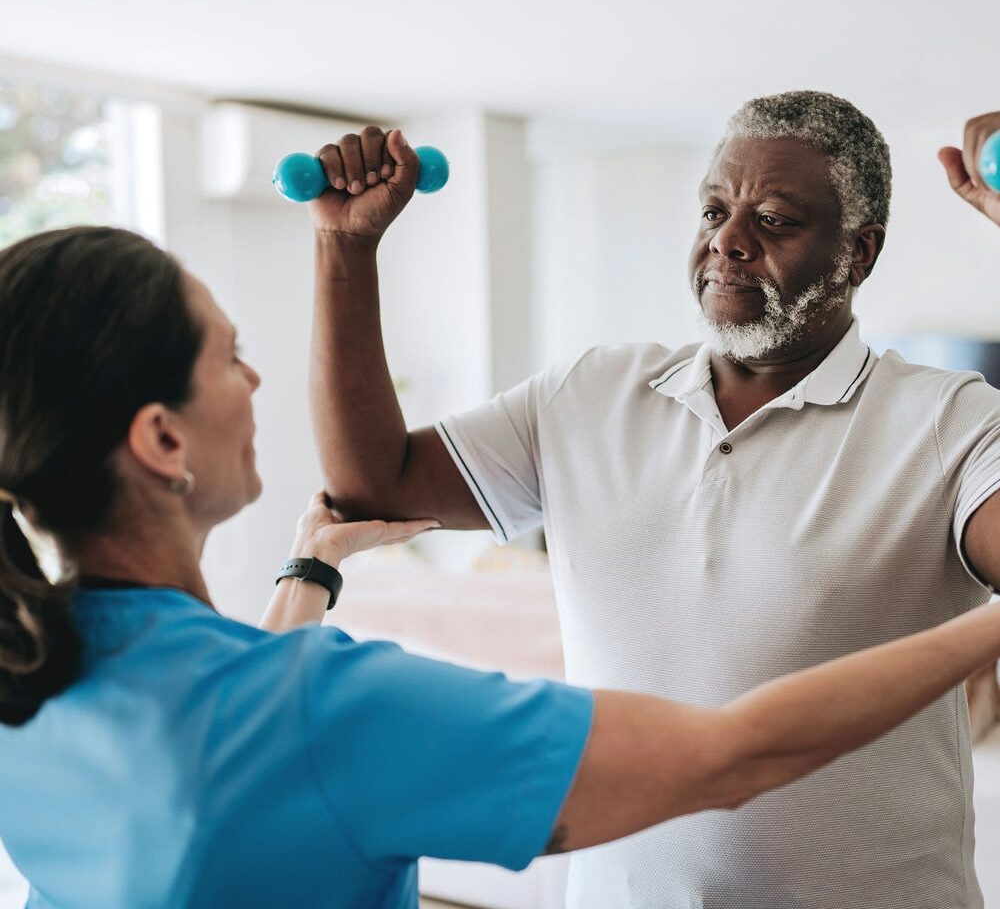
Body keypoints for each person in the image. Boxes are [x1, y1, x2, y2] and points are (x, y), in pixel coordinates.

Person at [0, 233, 996, 909]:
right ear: (162, 437)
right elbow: (734, 754)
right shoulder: (320, 708)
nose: (255, 380)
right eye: (230, 357)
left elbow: (227, 748)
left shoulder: (33, 663)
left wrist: (308, 574)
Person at [308, 98, 1000, 908]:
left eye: (774, 220)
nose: (727, 240)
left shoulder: (950, 421)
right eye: (714, 208)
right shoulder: (592, 392)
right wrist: (344, 247)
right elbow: (375, 485)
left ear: (857, 253)